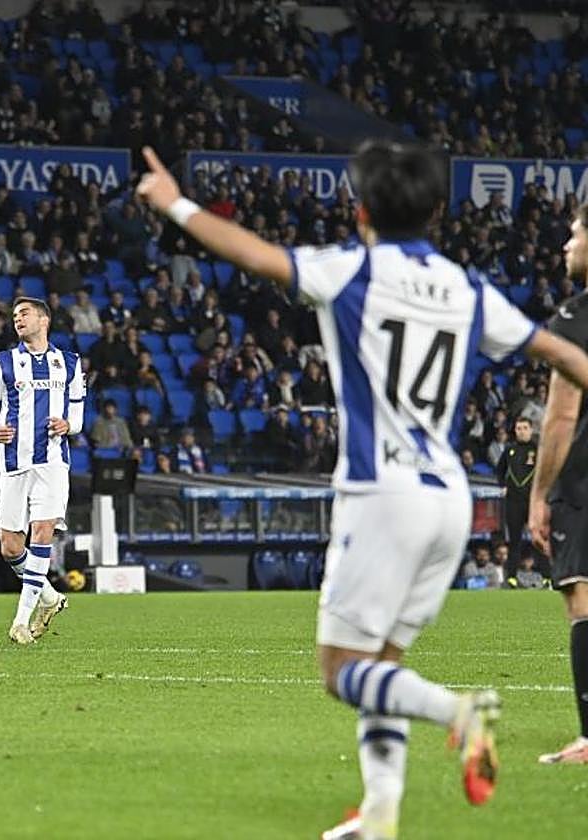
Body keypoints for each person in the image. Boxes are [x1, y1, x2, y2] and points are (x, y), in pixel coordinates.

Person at [138, 140, 588, 836]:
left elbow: (255, 254)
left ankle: (460, 712)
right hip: (451, 499)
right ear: (438, 212)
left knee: (339, 669)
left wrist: (175, 203)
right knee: (382, 664)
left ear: (359, 210)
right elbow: (562, 354)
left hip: (384, 494)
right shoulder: (468, 288)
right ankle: (378, 815)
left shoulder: (351, 269)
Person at [0, 297, 85, 643]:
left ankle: (20, 621)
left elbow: (79, 420)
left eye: (24, 314)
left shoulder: (69, 364)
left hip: (53, 463)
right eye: (13, 316)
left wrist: (66, 425)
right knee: (10, 547)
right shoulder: (2, 363)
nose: (17, 320)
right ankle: (51, 597)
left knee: (42, 532)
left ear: (44, 320)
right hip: (13, 462)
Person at [526, 205, 588, 766]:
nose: (567, 246)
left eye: (575, 234)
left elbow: (562, 416)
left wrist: (539, 493)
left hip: (585, 479)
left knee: (583, 594)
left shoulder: (576, 316)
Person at [495, 416, 536, 578]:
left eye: (525, 428)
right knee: (514, 540)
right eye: (519, 428)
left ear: (531, 430)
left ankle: (547, 576)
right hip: (513, 501)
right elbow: (500, 470)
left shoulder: (538, 449)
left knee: (538, 538)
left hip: (532, 501)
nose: (522, 431)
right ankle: (511, 577)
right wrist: (502, 486)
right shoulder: (509, 450)